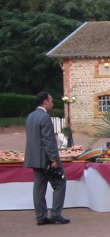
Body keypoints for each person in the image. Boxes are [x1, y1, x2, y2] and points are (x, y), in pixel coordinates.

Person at [24, 91, 69, 225]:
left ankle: (41, 216)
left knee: (38, 188)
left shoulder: (30, 116)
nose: (52, 103)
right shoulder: (45, 117)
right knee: (60, 184)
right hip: (45, 159)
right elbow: (48, 141)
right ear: (45, 102)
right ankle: (55, 214)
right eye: (51, 101)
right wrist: (54, 159)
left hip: (34, 158)